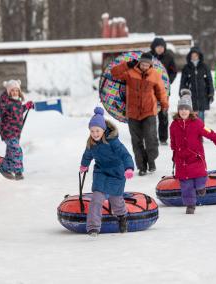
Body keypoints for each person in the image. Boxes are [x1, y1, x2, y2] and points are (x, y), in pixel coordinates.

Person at [170, 91, 216, 214]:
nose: (183, 111)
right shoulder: (173, 125)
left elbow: (211, 134)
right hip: (182, 161)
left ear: (190, 110)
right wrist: (174, 154)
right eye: (181, 109)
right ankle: (190, 205)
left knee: (200, 181)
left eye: (186, 109)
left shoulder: (198, 123)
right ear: (178, 110)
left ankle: (201, 187)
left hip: (196, 159)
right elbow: (173, 141)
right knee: (186, 187)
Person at [111, 52, 169, 176]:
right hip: (133, 113)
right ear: (139, 63)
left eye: (147, 64)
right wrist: (126, 65)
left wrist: (164, 106)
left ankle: (151, 160)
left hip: (149, 111)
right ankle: (141, 166)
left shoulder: (155, 75)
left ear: (150, 65)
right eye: (142, 64)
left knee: (151, 139)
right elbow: (114, 73)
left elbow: (161, 92)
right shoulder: (130, 72)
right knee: (136, 141)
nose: (144, 66)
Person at [80, 107, 135, 236]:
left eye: (97, 130)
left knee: (116, 200)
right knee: (97, 198)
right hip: (101, 172)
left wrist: (128, 168)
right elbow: (87, 155)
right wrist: (84, 165)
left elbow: (125, 155)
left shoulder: (113, 141)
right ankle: (93, 227)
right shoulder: (91, 143)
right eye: (92, 131)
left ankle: (122, 217)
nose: (95, 134)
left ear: (103, 130)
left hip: (117, 172)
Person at [0, 80, 34, 180]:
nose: (15, 92)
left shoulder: (17, 102)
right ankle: (16, 172)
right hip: (8, 132)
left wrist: (26, 106)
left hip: (16, 133)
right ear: (8, 92)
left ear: (19, 92)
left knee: (11, 152)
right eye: (12, 90)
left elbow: (19, 111)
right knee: (16, 150)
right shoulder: (6, 103)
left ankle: (5, 167)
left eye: (16, 90)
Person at [150, 37, 178, 145]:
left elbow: (174, 71)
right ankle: (150, 137)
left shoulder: (169, 57)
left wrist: (168, 81)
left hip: (164, 92)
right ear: (154, 47)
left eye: (162, 47)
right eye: (158, 47)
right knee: (150, 115)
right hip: (150, 91)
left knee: (163, 114)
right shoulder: (149, 56)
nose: (160, 49)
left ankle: (163, 138)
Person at [179, 47, 214, 122]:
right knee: (192, 118)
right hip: (191, 97)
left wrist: (211, 93)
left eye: (196, 55)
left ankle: (200, 133)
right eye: (192, 55)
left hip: (202, 96)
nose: (194, 57)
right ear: (190, 56)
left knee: (201, 118)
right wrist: (182, 94)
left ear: (199, 56)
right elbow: (183, 82)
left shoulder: (204, 67)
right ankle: (193, 133)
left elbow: (209, 81)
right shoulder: (186, 68)